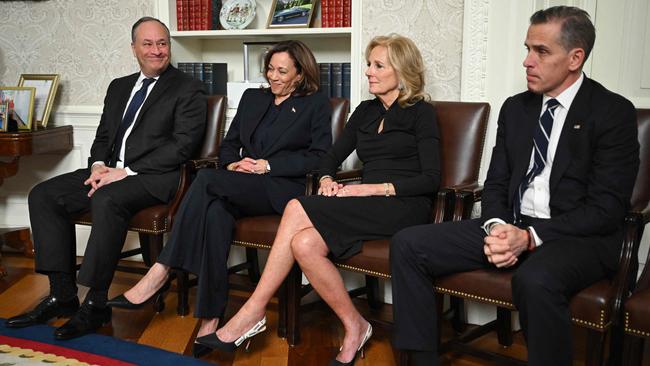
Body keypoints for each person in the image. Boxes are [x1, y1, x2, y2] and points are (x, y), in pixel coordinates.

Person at [390, 6, 639, 366]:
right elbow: (497, 183)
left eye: (541, 51)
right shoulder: (516, 108)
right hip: (513, 225)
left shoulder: (612, 112)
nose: (527, 61)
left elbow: (606, 210)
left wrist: (530, 238)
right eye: (527, 48)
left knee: (535, 279)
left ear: (575, 58)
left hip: (578, 238)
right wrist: (497, 226)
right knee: (409, 243)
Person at [197, 34, 440, 366]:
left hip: (404, 206)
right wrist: (327, 179)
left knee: (297, 206)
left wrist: (369, 188)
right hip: (365, 206)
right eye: (369, 64)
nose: (368, 71)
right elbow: (328, 158)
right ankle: (355, 324)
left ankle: (252, 311)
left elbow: (430, 179)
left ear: (402, 71)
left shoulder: (420, 113)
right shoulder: (366, 112)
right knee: (304, 244)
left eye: (378, 65)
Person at [106, 39, 333, 356]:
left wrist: (269, 165)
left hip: (283, 189)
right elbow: (229, 145)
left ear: (300, 74)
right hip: (240, 184)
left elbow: (320, 158)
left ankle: (161, 269)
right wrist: (232, 163)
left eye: (283, 71)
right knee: (215, 213)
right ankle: (211, 318)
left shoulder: (315, 104)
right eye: (270, 68)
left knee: (208, 180)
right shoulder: (254, 99)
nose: (273, 76)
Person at [4, 17, 207, 339]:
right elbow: (103, 137)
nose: (156, 51)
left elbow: (182, 147)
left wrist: (124, 172)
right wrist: (98, 165)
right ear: (133, 48)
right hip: (109, 171)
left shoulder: (188, 88)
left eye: (162, 43)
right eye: (148, 44)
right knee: (44, 194)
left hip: (154, 177)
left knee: (107, 198)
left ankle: (96, 304)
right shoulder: (119, 86)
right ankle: (62, 295)